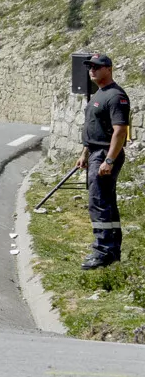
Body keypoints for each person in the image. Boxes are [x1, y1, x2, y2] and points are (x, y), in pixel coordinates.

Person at [77, 54, 130, 270]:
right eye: (90, 67)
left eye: (97, 67)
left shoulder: (116, 96)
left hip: (106, 154)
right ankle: (111, 250)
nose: (92, 70)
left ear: (108, 69)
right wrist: (84, 154)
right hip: (96, 152)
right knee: (105, 202)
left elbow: (120, 131)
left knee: (98, 203)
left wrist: (109, 159)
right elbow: (94, 128)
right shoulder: (100, 93)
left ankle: (102, 251)